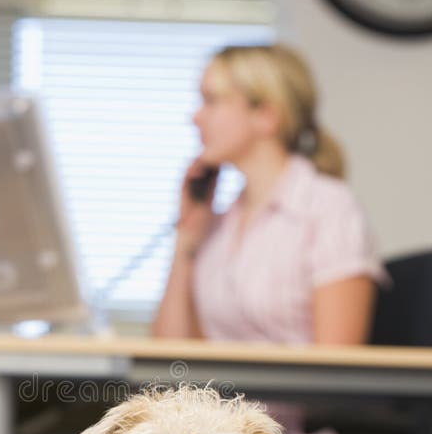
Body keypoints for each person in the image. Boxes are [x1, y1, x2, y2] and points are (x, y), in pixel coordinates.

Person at [152, 43, 385, 349]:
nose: (195, 117)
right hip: (219, 396)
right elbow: (170, 356)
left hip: (289, 399)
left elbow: (336, 369)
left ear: (266, 115)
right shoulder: (219, 224)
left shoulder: (329, 209)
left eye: (211, 101)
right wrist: (187, 235)